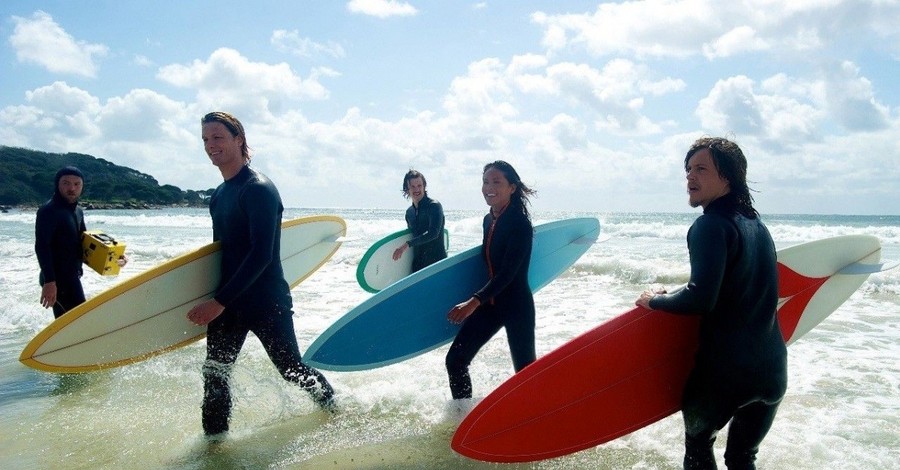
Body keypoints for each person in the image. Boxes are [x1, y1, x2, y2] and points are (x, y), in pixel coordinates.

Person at [635, 137, 787, 469]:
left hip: (726, 375)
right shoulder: (757, 225)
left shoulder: (710, 225)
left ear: (728, 177)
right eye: (688, 169)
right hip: (772, 371)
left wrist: (654, 303)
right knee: (742, 457)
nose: (691, 177)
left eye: (701, 169)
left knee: (699, 452)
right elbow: (732, 287)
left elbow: (701, 297)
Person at [186, 111, 335, 437]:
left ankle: (333, 409)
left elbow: (261, 254)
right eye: (205, 140)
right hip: (228, 302)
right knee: (215, 375)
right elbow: (219, 254)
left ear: (239, 139)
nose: (211, 146)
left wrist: (218, 302)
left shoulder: (258, 189)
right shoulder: (220, 195)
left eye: (218, 137)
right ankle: (214, 448)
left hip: (265, 301)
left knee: (291, 370)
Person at [445, 161, 537, 400]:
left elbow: (508, 273)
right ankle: (463, 418)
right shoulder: (489, 219)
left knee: (526, 374)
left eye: (497, 182)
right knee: (455, 360)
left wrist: (473, 302)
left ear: (512, 188)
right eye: (486, 182)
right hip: (491, 304)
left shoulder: (520, 224)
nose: (489, 187)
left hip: (516, 306)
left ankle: (537, 421)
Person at [35, 166, 127, 318]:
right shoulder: (48, 211)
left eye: (77, 184)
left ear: (82, 187)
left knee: (74, 324)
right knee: (77, 323)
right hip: (57, 280)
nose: (72, 188)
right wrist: (50, 282)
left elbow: (86, 243)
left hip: (72, 277)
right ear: (57, 184)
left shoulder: (78, 211)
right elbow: (42, 247)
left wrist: (117, 256)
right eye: (66, 183)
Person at [392, 169, 447, 272]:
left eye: (419, 186)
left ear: (424, 186)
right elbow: (411, 235)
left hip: (437, 266)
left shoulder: (434, 206)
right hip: (417, 268)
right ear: (407, 189)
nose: (416, 189)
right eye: (412, 186)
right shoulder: (409, 213)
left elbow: (433, 233)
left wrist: (406, 245)